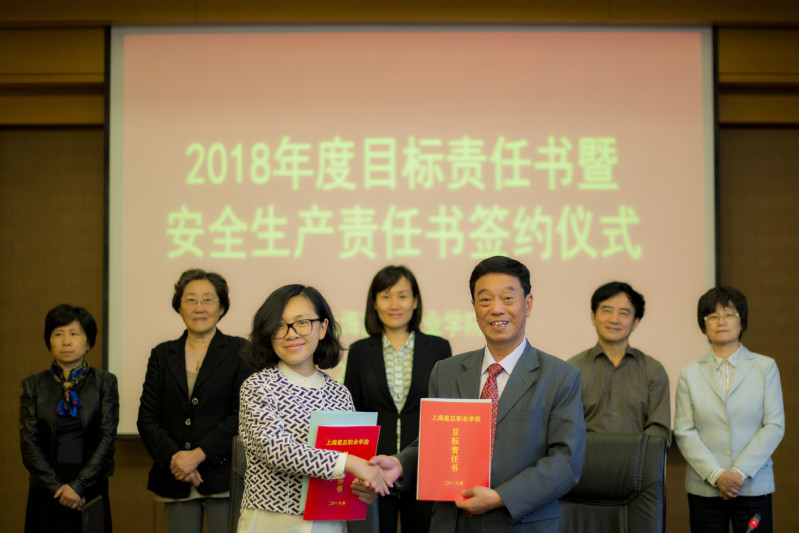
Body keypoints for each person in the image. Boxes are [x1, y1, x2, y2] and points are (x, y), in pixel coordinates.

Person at [368, 256, 586, 532]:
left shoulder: (560, 377)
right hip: (452, 523)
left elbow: (565, 462)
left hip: (520, 524)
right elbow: (435, 445)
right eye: (485, 300)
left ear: (528, 303)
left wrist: (500, 498)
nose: (496, 309)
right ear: (474, 307)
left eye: (508, 298)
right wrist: (400, 465)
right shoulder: (446, 372)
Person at [237, 284, 391, 533]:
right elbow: (276, 450)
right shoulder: (258, 386)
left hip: (329, 520)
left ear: (322, 328)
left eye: (302, 322)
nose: (291, 334)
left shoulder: (340, 393)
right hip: (272, 520)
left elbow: (353, 467)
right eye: (279, 325)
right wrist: (351, 462)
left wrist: (364, 488)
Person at [137, 269, 254, 533]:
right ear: (179, 306)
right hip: (176, 476)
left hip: (223, 476)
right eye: (190, 300)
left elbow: (242, 415)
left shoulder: (240, 351)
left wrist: (199, 455)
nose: (199, 307)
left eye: (208, 300)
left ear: (221, 307)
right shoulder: (162, 354)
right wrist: (178, 461)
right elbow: (147, 418)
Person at [345, 265, 452, 533]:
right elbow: (353, 412)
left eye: (402, 296)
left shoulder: (438, 347)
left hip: (424, 463)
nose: (394, 305)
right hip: (374, 468)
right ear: (374, 303)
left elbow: (445, 410)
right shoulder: (360, 351)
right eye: (385, 296)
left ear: (415, 301)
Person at [674, 286, 784, 533]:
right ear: (703, 325)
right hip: (705, 487)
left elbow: (774, 425)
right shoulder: (690, 373)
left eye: (729, 314)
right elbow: (684, 430)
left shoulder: (765, 367)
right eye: (712, 316)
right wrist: (716, 475)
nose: (721, 321)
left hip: (753, 484)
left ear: (742, 321)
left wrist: (738, 473)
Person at [20, 304, 119, 533]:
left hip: (90, 489)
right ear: (49, 341)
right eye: (58, 334)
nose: (66, 341)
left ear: (88, 342)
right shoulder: (33, 385)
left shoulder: (104, 382)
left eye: (74, 334)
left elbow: (107, 438)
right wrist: (57, 488)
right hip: (46, 490)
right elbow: (28, 443)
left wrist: (78, 487)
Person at [568, 281, 670, 443]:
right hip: (586, 458)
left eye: (624, 313)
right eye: (607, 311)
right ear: (593, 317)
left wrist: (632, 453)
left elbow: (659, 429)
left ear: (635, 322)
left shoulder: (653, 371)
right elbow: (566, 427)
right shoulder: (572, 369)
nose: (614, 319)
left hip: (638, 458)